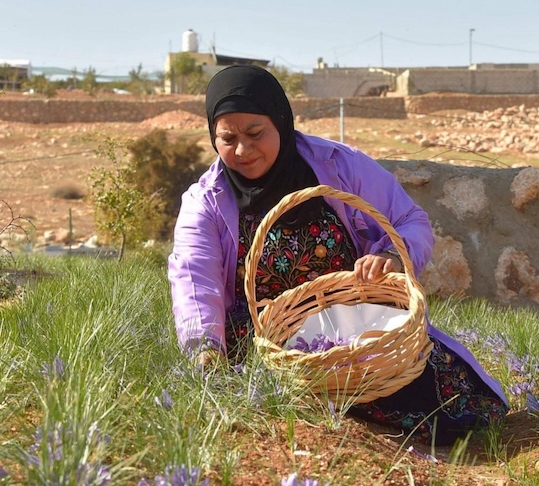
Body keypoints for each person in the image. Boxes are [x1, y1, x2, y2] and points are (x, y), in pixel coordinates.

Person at [168, 65, 508, 444]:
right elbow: (194, 277)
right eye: (227, 138)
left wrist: (391, 257)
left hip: (355, 329)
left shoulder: (338, 165)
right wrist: (205, 348)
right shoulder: (206, 201)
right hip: (265, 342)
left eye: (255, 133)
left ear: (280, 121)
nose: (243, 150)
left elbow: (410, 220)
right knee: (279, 401)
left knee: (459, 405)